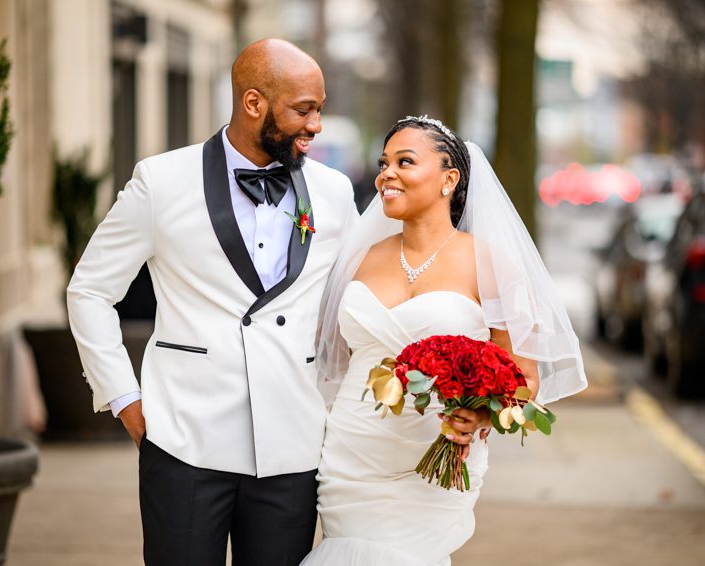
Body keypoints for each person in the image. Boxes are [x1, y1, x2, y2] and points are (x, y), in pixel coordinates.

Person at [66, 39, 359, 566]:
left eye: (320, 108)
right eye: (303, 109)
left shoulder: (334, 193)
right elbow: (89, 290)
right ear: (254, 103)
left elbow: (355, 301)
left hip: (292, 444)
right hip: (184, 442)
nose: (316, 124)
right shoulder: (161, 181)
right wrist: (123, 397)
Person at [303, 116, 588, 566]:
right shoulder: (358, 259)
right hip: (352, 452)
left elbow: (524, 380)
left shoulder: (491, 264)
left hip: (436, 458)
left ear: (449, 179)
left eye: (405, 162)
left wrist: (479, 414)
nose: (387, 174)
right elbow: (332, 359)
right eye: (383, 163)